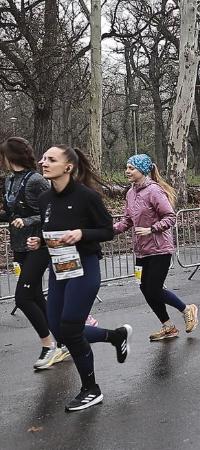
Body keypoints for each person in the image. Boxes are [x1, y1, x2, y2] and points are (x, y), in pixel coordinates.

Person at [28, 145, 131, 412]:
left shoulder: (87, 197)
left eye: (51, 159)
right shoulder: (45, 199)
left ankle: (91, 389)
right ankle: (115, 336)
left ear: (68, 167)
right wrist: (38, 241)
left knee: (71, 329)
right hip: (59, 268)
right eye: (43, 158)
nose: (44, 162)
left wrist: (82, 234)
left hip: (84, 267)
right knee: (59, 329)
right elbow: (50, 231)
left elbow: (107, 231)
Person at [0, 137, 70, 369]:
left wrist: (27, 220)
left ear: (11, 156)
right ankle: (63, 341)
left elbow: (52, 210)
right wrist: (11, 218)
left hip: (40, 244)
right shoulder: (9, 180)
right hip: (19, 246)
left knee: (23, 297)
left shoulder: (36, 180)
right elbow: (10, 212)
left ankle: (48, 345)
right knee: (36, 296)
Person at [113, 154, 199, 341]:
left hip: (159, 249)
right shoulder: (130, 192)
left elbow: (170, 217)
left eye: (131, 168)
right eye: (126, 167)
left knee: (154, 289)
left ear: (142, 170)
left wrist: (152, 229)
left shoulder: (154, 191)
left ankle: (187, 309)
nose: (127, 171)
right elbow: (128, 220)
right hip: (141, 250)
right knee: (144, 288)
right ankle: (168, 326)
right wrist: (109, 231)